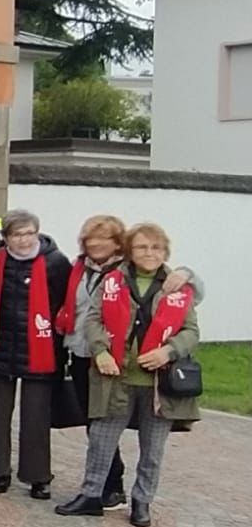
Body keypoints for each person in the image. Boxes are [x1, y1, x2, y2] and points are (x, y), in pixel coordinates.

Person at [53, 215, 201, 511]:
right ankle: (92, 494)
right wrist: (101, 351)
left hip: (158, 384)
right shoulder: (113, 280)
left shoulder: (177, 286)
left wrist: (169, 351)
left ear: (165, 252)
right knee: (101, 439)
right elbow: (94, 319)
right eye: (143, 247)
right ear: (130, 251)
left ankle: (142, 501)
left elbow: (191, 331)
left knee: (152, 449)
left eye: (156, 247)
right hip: (115, 377)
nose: (150, 253)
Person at [0, 209, 72, 500]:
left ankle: (38, 476)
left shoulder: (56, 262)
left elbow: (65, 303)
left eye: (29, 233)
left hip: (40, 349)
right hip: (0, 347)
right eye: (17, 234)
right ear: (6, 238)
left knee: (36, 417)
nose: (24, 239)